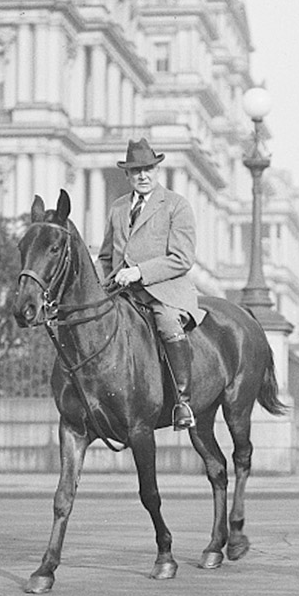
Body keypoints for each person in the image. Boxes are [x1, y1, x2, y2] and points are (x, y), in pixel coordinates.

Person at [98, 138, 206, 430]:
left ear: (157, 170)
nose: (143, 176)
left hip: (165, 290)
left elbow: (182, 258)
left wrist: (139, 272)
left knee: (168, 321)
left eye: (148, 169)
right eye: (136, 171)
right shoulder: (118, 208)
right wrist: (96, 288)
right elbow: (106, 257)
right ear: (127, 175)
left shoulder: (176, 205)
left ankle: (182, 402)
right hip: (122, 291)